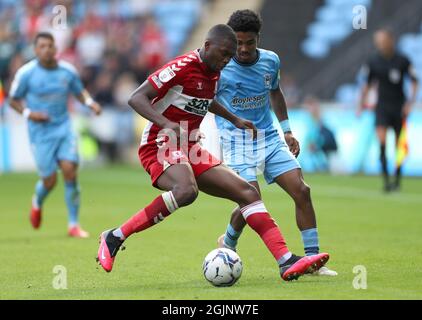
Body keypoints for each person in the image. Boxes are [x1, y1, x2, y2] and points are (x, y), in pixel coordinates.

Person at [96, 24, 329, 281]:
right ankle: (115, 236)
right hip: (159, 142)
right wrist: (168, 124)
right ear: (207, 46)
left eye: (230, 56)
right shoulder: (182, 66)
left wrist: (235, 118)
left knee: (248, 193)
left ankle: (286, 261)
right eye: (223, 54)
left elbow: (206, 100)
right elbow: (136, 98)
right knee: (186, 191)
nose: (226, 60)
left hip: (190, 147)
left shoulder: (214, 71)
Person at [213, 10, 336, 276]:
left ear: (258, 39)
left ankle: (312, 260)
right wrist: (232, 120)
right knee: (250, 199)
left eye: (249, 42)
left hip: (269, 137)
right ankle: (229, 243)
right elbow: (205, 100)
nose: (243, 49)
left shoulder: (271, 61)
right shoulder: (221, 67)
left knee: (302, 190)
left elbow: (275, 92)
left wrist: (287, 131)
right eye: (238, 43)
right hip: (236, 141)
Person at [9, 32, 102, 237]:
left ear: (55, 49)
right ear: (35, 50)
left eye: (50, 46)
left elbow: (79, 91)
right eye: (42, 46)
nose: (46, 50)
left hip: (64, 128)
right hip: (40, 133)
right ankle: (37, 202)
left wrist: (89, 103)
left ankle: (73, 225)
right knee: (49, 180)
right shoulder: (26, 73)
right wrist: (29, 114)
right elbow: (12, 100)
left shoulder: (67, 71)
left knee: (70, 170)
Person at [358, 28, 418, 192]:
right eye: (378, 42)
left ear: (390, 40)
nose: (380, 44)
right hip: (382, 107)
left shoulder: (403, 60)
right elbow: (367, 85)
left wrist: (410, 103)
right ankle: (386, 181)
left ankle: (397, 178)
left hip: (399, 107)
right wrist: (360, 105)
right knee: (382, 142)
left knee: (399, 146)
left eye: (382, 41)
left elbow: (414, 81)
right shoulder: (373, 61)